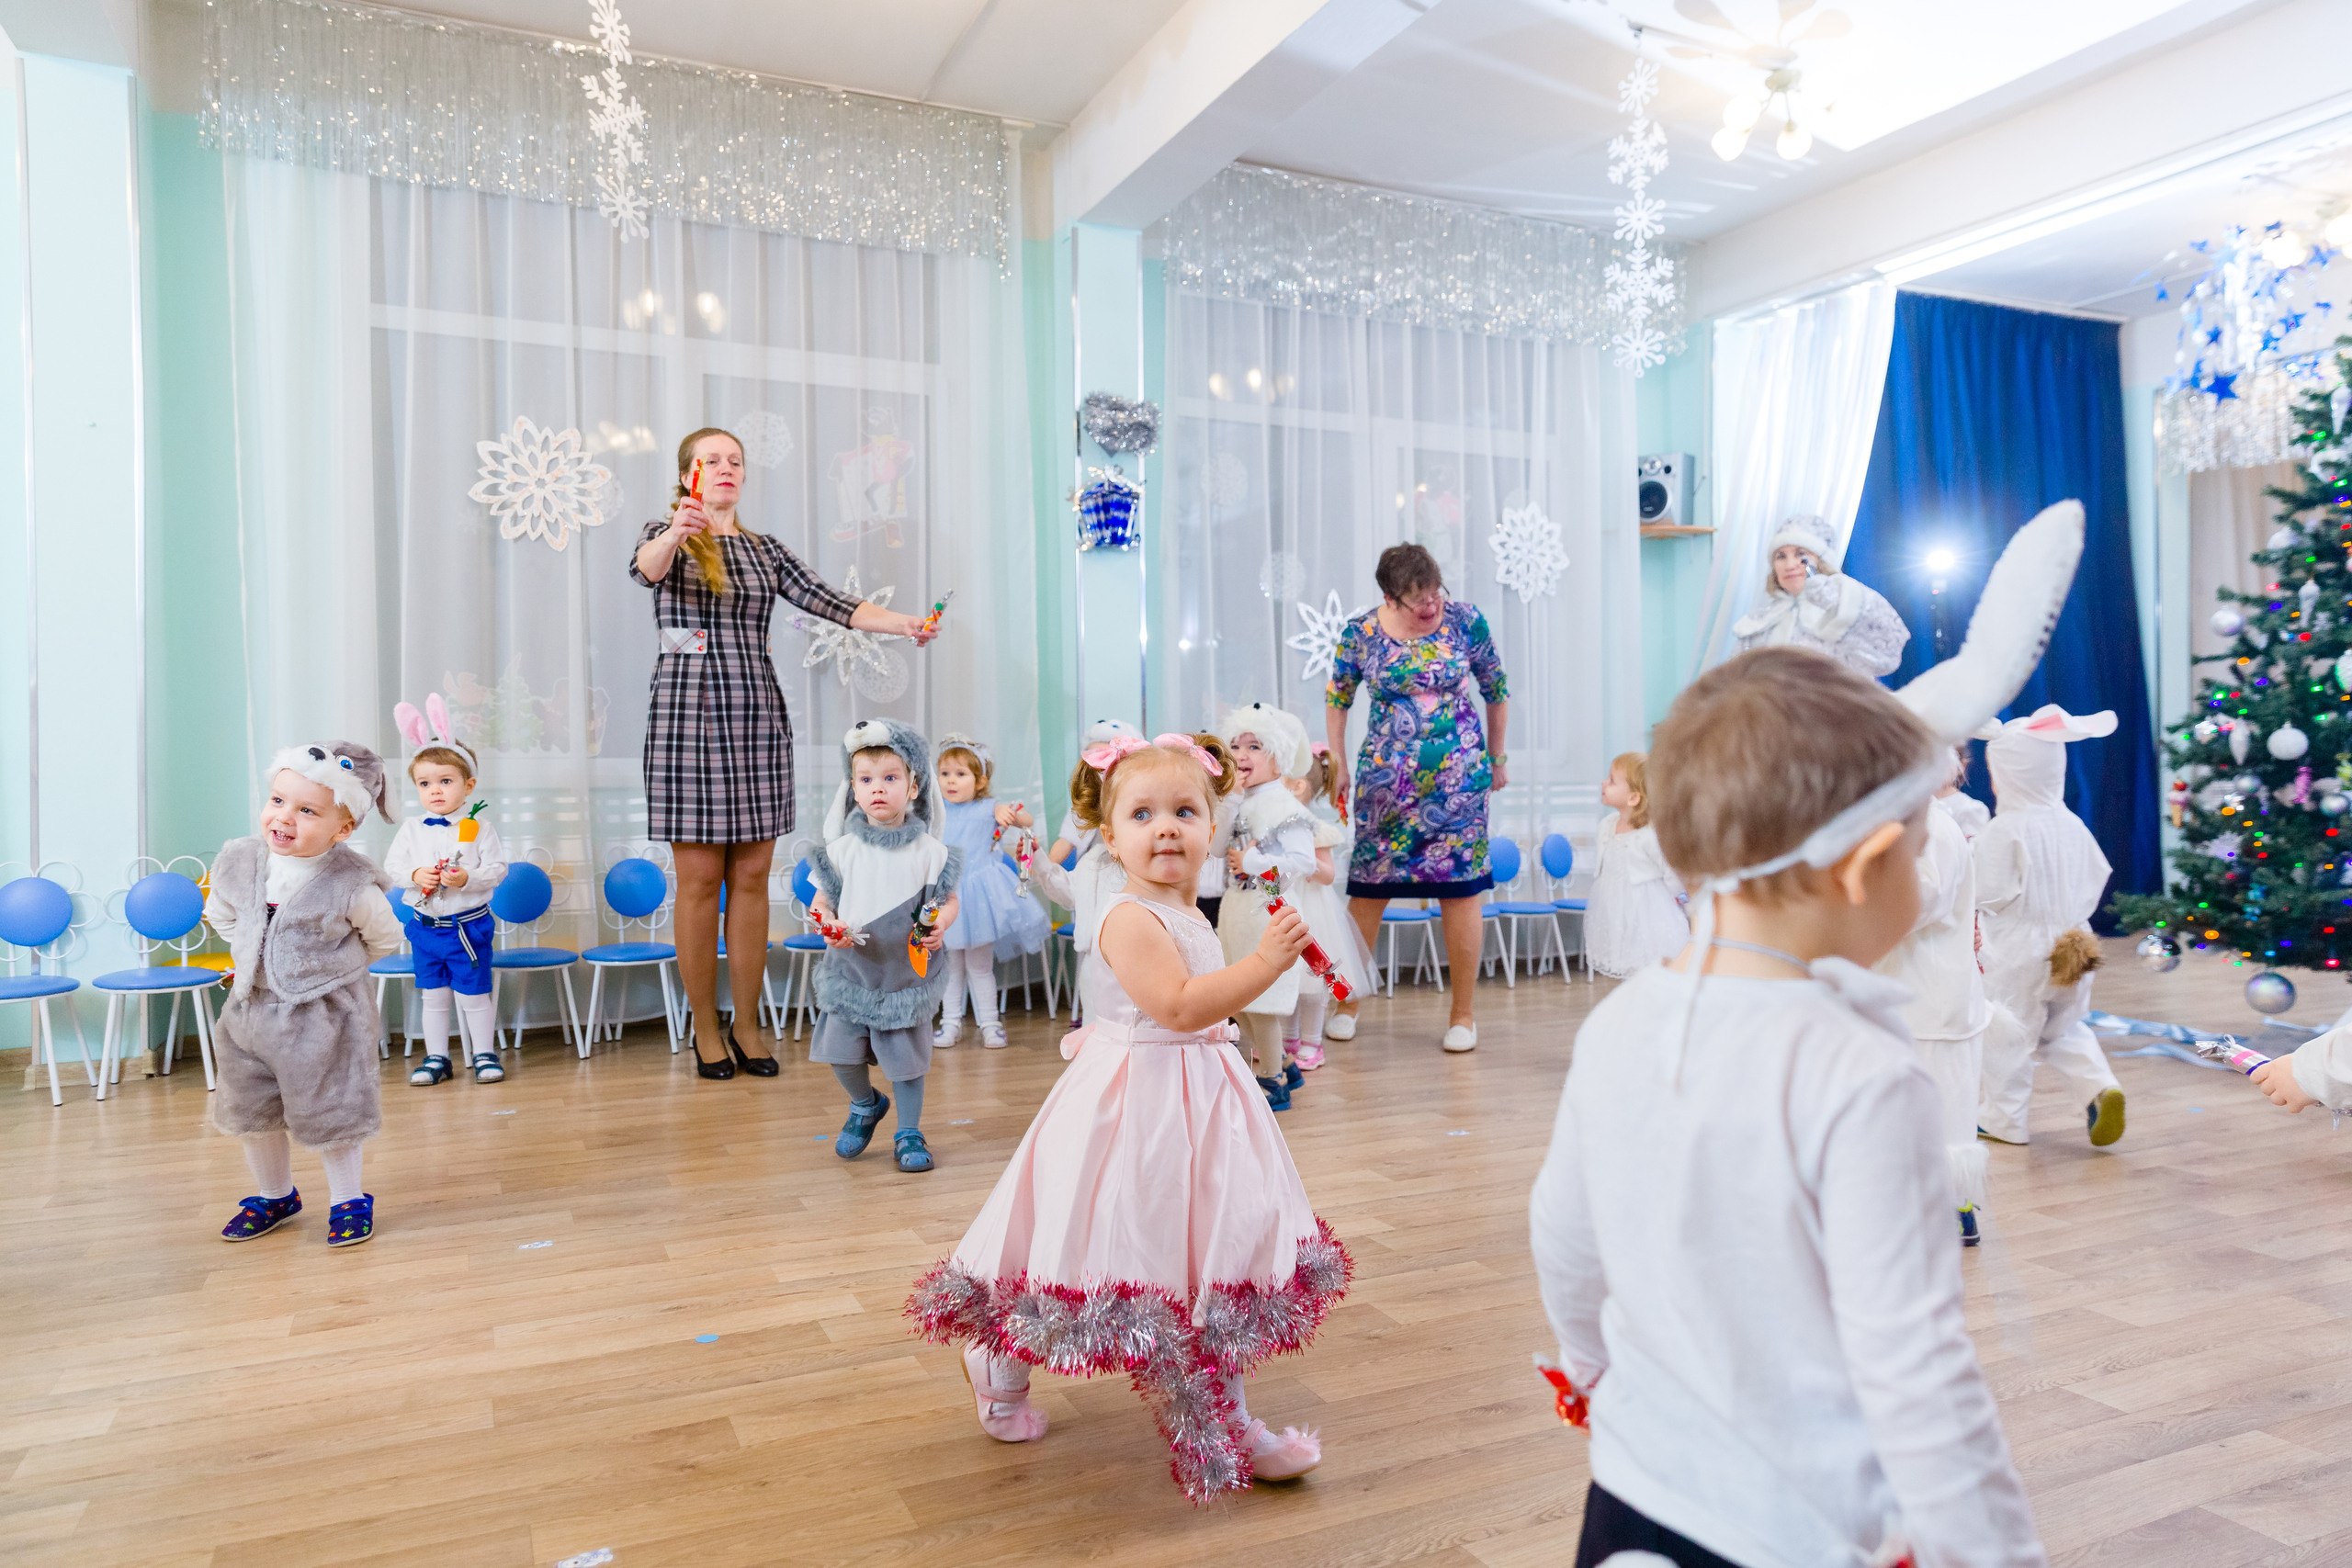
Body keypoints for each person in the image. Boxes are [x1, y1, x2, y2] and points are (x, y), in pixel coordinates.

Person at [1532, 499, 2084, 1568]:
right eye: (1919, 848)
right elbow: (1918, 1373)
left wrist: (1586, 1363)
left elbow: (1563, 1229)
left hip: (1633, 1492)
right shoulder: (1861, 1073)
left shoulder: (1621, 1019)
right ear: (1869, 866)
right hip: (1796, 1528)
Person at [908, 734, 1350, 1502]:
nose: (1166, 827)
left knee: (1213, 1247)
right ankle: (1000, 1364)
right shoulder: (1126, 916)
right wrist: (1264, 965)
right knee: (1082, 1245)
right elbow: (1176, 1007)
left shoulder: (1191, 911)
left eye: (1185, 811)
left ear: (1213, 827)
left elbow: (1198, 1007)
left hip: (1203, 1100)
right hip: (1133, 1108)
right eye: (1142, 815)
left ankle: (1226, 1413)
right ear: (1111, 838)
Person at [630, 426, 937, 1078]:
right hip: (686, 721)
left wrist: (905, 623)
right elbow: (646, 569)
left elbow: (834, 602)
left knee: (750, 880)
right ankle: (705, 1028)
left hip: (757, 719)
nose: (726, 468)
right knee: (699, 881)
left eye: (735, 461)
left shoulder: (766, 550)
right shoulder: (667, 533)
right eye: (711, 460)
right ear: (687, 475)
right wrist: (678, 531)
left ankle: (746, 1024)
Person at [205, 744, 406, 1249]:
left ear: (343, 828)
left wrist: (329, 972)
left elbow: (383, 938)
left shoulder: (351, 883)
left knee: (333, 1108)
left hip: (325, 1016)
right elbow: (222, 914)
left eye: (307, 810)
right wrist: (254, 956)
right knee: (253, 1109)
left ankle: (348, 1199)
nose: (284, 817)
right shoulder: (242, 861)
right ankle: (275, 1195)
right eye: (277, 800)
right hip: (250, 1010)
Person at [1324, 543, 1509, 1053]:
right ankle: (1345, 1003)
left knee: (1461, 891)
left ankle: (1463, 1016)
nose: (1431, 605)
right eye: (1418, 598)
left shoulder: (1466, 622)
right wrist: (1338, 763)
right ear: (1390, 597)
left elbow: (1496, 689)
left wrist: (1497, 758)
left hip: (1460, 784)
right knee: (1368, 891)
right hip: (1386, 788)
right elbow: (1338, 698)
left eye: (1435, 593)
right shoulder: (1361, 633)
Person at [805, 720, 962, 1174]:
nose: (878, 788)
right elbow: (821, 902)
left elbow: (948, 901)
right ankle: (864, 1104)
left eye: (890, 778)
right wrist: (828, 923)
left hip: (904, 977)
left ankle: (909, 1131)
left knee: (906, 1065)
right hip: (852, 973)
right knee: (841, 1055)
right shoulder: (841, 851)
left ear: (913, 787)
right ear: (853, 790)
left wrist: (942, 923)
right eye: (867, 779)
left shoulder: (931, 852)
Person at [1973, 705, 2126, 1149]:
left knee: (2008, 1034)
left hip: (2018, 950)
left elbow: (1987, 892)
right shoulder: (2072, 823)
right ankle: (2099, 1086)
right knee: (2065, 1027)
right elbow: (2097, 873)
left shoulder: (2005, 829)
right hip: (2075, 943)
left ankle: (2003, 1121)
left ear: (2007, 775)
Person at [1874, 751, 1992, 1246]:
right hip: (1913, 992)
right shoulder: (1907, 826)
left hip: (1933, 997)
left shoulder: (1934, 831)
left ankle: (1953, 1206)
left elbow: (1916, 904)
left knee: (1945, 1107)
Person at [385, 695, 510, 1086]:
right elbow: (393, 868)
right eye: (425, 783)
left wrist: (466, 878)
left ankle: (484, 1053)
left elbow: (498, 870)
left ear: (468, 785)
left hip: (467, 929)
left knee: (473, 994)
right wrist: (416, 874)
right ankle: (437, 1058)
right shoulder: (411, 830)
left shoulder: (480, 828)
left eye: (445, 781)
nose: (435, 790)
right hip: (426, 928)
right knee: (433, 996)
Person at [1214, 703, 1324, 1111]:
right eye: (1236, 746)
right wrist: (1228, 800)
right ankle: (1287, 1066)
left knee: (1260, 1003)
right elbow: (1215, 847)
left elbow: (1304, 861)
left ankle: (1272, 1079)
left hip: (1267, 913)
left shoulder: (1284, 806)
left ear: (1278, 757)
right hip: (1235, 911)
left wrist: (1254, 862)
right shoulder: (1239, 800)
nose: (1242, 755)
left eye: (1255, 746)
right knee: (1235, 999)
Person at [931, 732, 1048, 1050]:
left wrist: (1007, 812)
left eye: (960, 774)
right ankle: (950, 1023)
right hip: (946, 896)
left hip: (980, 899)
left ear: (980, 781)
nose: (950, 780)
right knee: (950, 967)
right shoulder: (936, 810)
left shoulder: (989, 807)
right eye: (945, 773)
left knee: (980, 967)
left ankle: (990, 1024)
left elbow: (1026, 819)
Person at [1278, 744, 1374, 1070]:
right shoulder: (1275, 826)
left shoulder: (1315, 828)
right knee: (1288, 976)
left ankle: (1312, 1042)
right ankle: (1288, 1039)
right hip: (1288, 905)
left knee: (1314, 982)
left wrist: (1307, 864)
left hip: (1314, 910)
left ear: (1297, 786)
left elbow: (1329, 874)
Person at [1732, 514, 1909, 678]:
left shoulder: (1844, 609)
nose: (1790, 565)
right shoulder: (1759, 622)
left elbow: (1886, 655)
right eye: (1781, 556)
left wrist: (1836, 599)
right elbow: (1735, 681)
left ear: (1821, 561)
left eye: (1801, 554)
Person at [1584, 751, 1690, 979]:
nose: (1603, 783)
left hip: (1646, 908)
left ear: (1633, 797)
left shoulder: (1649, 835)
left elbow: (1669, 871)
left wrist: (1680, 896)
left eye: (1612, 781)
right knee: (1624, 959)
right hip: (1614, 904)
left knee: (1648, 963)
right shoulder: (1606, 824)